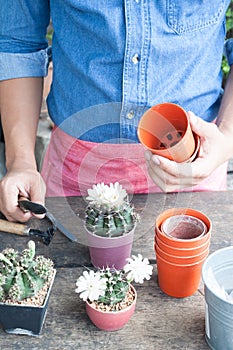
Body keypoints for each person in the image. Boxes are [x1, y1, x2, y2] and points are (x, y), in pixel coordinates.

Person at [0, 1, 233, 223]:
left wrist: (227, 139)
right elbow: (18, 42)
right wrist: (21, 163)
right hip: (74, 178)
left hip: (195, 168)